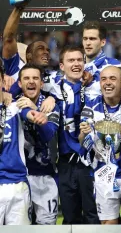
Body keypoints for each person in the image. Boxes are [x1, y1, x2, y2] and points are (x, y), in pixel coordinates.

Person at [79, 66, 121, 224]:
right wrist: (84, 133)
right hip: (105, 176)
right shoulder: (91, 106)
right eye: (103, 79)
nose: (107, 83)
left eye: (112, 79)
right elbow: (81, 141)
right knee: (109, 227)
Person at [50, 45, 99, 224]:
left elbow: (120, 84)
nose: (76, 64)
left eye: (80, 60)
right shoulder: (52, 90)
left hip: (91, 160)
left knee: (93, 216)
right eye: (71, 60)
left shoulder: (96, 87)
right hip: (65, 162)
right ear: (62, 66)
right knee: (70, 218)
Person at [0, 61, 50, 225]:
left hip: (17, 185)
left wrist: (38, 116)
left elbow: (29, 113)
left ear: (2, 81)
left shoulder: (14, 107)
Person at [16, 64, 60, 225]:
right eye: (26, 78)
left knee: (47, 226)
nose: (31, 82)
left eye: (35, 78)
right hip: (20, 178)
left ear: (42, 83)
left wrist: (38, 113)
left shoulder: (51, 105)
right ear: (19, 84)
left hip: (47, 176)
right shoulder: (13, 105)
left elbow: (49, 134)